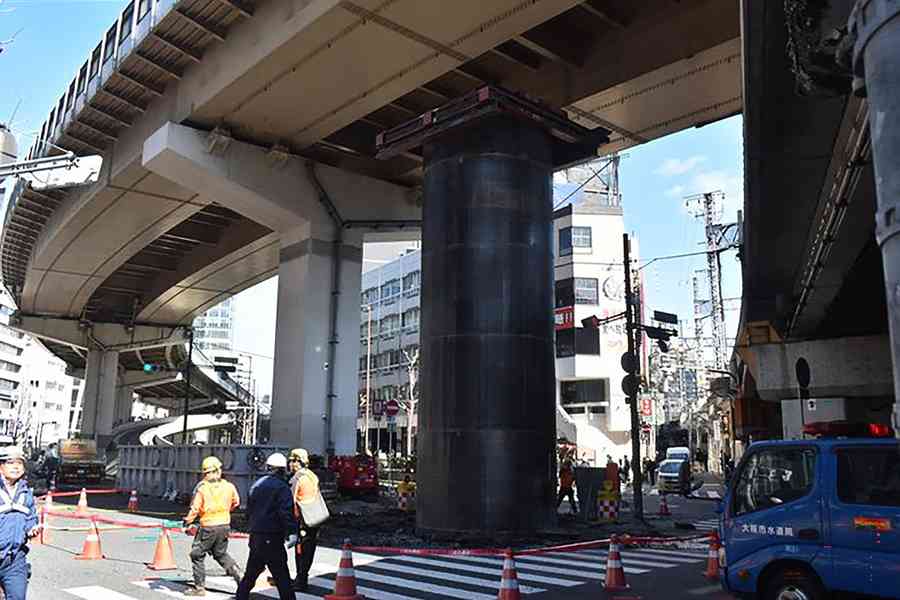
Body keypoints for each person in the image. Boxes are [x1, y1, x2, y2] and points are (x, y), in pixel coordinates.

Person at [235, 453, 297, 600]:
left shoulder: (257, 484)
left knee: (251, 573)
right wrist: (292, 531)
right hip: (272, 536)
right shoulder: (282, 488)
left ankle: (240, 596)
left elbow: (249, 510)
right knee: (282, 576)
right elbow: (285, 513)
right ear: (283, 469)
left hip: (256, 535)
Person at [182, 456, 243, 596]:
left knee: (196, 554)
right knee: (220, 553)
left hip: (208, 526)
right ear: (219, 470)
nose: (205, 475)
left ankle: (199, 588)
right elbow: (236, 502)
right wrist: (225, 512)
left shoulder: (203, 488)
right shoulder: (229, 486)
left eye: (206, 472)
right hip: (224, 524)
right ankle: (239, 575)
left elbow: (195, 508)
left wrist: (187, 521)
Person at [0, 446, 40, 600]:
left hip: (14, 558)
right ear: (0, 466)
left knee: (17, 596)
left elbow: (31, 517)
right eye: (10, 462)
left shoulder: (25, 493)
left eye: (20, 463)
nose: (16, 467)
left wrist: (32, 528)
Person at [289, 448, 321, 592]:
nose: (290, 464)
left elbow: (291, 500)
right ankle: (303, 577)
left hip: (301, 519)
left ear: (297, 462)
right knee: (309, 549)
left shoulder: (297, 478)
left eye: (291, 461)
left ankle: (301, 581)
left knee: (300, 551)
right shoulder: (312, 476)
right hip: (314, 517)